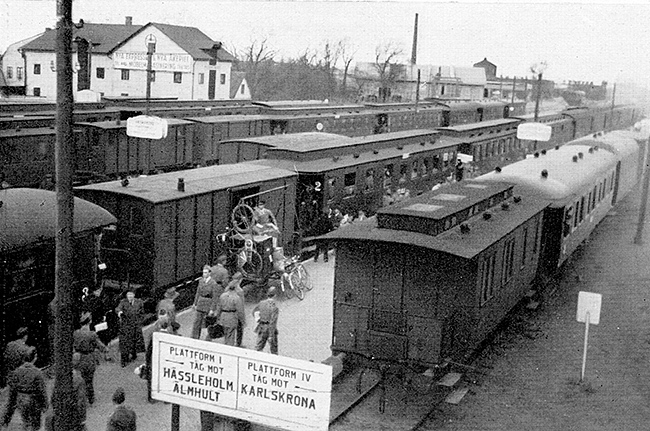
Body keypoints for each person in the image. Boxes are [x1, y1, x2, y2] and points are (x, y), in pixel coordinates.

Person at [2, 348, 48, 431]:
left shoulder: (17, 371)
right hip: (33, 400)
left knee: (25, 421)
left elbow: (12, 391)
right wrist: (45, 404)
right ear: (34, 358)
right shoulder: (37, 372)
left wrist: (6, 418)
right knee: (35, 425)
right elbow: (42, 390)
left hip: (20, 399)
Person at [44, 352, 88, 431]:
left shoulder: (57, 380)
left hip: (58, 415)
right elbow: (81, 401)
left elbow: (52, 399)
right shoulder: (79, 380)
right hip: (72, 415)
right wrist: (82, 418)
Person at [73, 314, 108, 404]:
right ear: (89, 322)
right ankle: (91, 398)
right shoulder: (92, 334)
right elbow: (100, 345)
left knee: (81, 378)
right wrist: (105, 350)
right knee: (89, 379)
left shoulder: (76, 333)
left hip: (78, 358)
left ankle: (80, 397)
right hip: (89, 358)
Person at [145, 313, 180, 403]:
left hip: (155, 360)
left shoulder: (154, 334)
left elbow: (149, 349)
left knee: (153, 378)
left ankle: (152, 397)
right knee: (167, 377)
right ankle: (166, 397)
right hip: (166, 361)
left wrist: (148, 360)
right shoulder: (171, 335)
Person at [115, 289, 145, 368]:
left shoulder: (139, 302)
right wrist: (120, 313)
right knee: (125, 343)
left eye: (131, 294)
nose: (130, 296)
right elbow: (118, 309)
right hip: (126, 326)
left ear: (134, 295)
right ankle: (124, 360)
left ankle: (134, 354)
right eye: (128, 295)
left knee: (135, 341)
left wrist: (139, 321)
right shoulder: (123, 302)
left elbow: (142, 313)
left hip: (135, 325)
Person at [215, 279, 246, 347]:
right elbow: (240, 311)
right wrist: (243, 321)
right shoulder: (236, 298)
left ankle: (226, 345)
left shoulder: (222, 295)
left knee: (226, 334)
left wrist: (218, 317)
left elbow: (219, 307)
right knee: (231, 335)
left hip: (223, 317)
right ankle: (229, 349)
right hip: (232, 318)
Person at [192, 265, 219, 339]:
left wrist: (212, 309)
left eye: (206, 273)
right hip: (201, 303)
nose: (204, 274)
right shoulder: (201, 281)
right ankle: (195, 337)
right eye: (203, 273)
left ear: (210, 273)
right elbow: (198, 292)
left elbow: (215, 297)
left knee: (209, 323)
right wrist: (195, 303)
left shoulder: (213, 283)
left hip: (208, 303)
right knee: (197, 322)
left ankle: (209, 337)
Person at [253, 287, 279, 355]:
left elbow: (254, 311)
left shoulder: (261, 303)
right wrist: (271, 335)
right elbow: (273, 322)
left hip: (261, 326)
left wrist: (259, 319)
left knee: (258, 347)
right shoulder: (274, 308)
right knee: (274, 349)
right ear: (275, 296)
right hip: (270, 329)